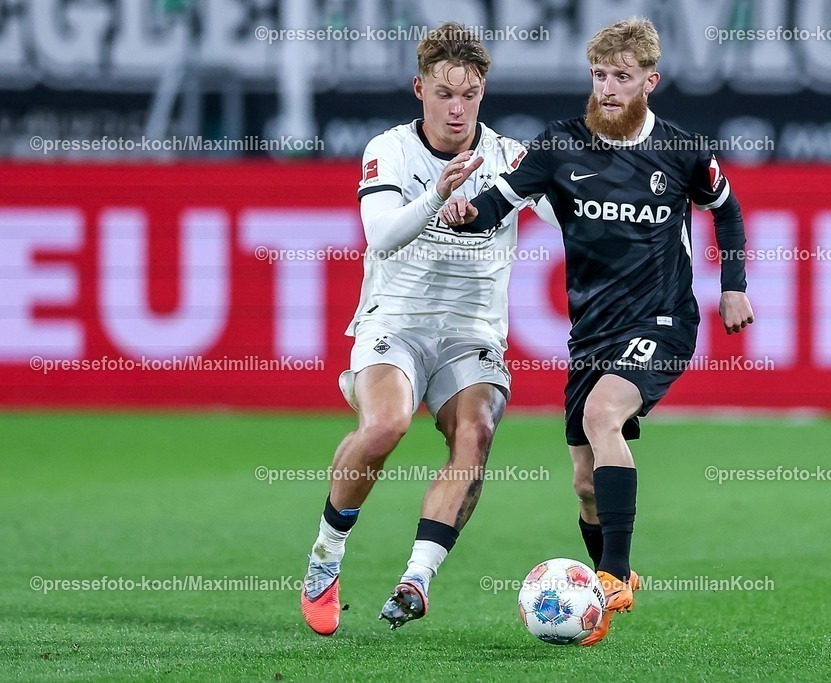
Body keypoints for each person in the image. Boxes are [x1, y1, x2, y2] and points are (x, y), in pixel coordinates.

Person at [440, 16, 754, 646]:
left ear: (650, 81)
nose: (607, 87)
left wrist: (734, 285)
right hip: (592, 334)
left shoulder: (683, 149)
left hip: (664, 321)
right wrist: (466, 212)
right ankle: (604, 596)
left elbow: (727, 209)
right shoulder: (559, 146)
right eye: (599, 74)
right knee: (585, 485)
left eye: (622, 77)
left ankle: (612, 574)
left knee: (604, 414)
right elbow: (496, 206)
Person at [300, 21, 556, 636]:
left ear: (482, 92)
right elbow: (380, 234)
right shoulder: (388, 150)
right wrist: (437, 195)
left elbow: (577, 216)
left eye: (469, 94)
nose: (457, 108)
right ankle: (326, 555)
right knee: (385, 425)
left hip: (472, 335)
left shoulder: (508, 158)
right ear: (420, 89)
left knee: (477, 432)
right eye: (445, 93)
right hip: (398, 322)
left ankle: (416, 578)